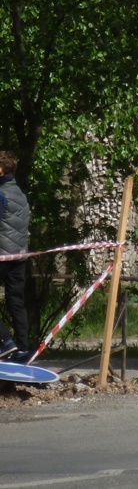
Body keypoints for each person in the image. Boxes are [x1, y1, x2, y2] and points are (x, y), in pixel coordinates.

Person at [0, 151, 31, 364]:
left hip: (2, 255)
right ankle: (23, 349)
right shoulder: (20, 193)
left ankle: (4, 342)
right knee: (16, 302)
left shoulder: (1, 194)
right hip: (19, 256)